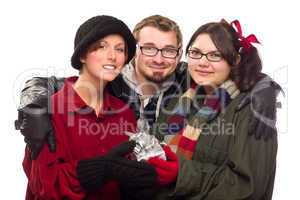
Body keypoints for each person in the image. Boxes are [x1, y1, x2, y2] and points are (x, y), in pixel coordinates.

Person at [15, 15, 279, 162]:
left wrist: (265, 88)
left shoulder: (186, 77)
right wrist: (34, 103)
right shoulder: (110, 78)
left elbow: (226, 67)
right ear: (134, 50)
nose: (159, 58)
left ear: (178, 54)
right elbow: (47, 83)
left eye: (169, 50)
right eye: (149, 48)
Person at [22, 15, 157, 200]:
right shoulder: (49, 112)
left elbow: (123, 177)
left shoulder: (124, 113)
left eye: (120, 49)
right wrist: (98, 169)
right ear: (82, 55)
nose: (113, 56)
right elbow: (43, 185)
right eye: (102, 46)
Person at [147, 19, 280, 199]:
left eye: (215, 55)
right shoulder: (180, 95)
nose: (202, 62)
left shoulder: (251, 108)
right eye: (195, 52)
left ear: (236, 60)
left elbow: (247, 188)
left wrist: (181, 173)